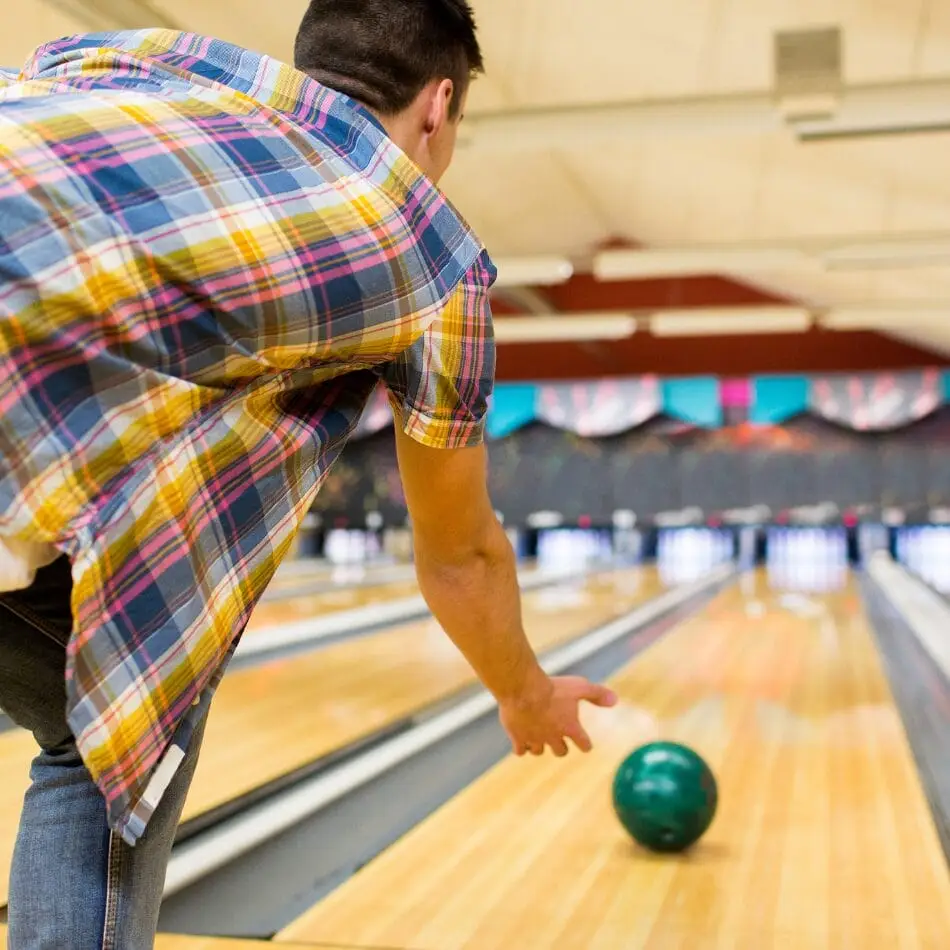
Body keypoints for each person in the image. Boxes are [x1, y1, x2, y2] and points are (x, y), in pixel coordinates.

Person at [0, 2, 617, 947]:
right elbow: (461, 558)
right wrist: (525, 691)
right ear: (438, 104)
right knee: (120, 724)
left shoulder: (134, 56)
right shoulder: (436, 256)